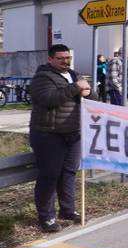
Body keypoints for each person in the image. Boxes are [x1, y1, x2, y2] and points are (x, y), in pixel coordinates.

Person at [29, 44, 92, 232]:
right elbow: (49, 99)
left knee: (69, 173)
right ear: (50, 59)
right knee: (49, 176)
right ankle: (47, 217)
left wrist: (88, 91)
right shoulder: (42, 77)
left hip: (73, 133)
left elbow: (90, 98)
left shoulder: (74, 75)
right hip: (48, 134)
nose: (65, 62)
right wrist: (75, 88)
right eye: (61, 58)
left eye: (68, 58)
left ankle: (67, 210)